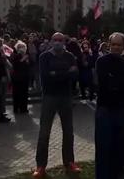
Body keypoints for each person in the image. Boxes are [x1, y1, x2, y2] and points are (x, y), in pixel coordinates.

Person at [33, 33, 81, 178]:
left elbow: (75, 74)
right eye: (56, 40)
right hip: (49, 97)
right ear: (51, 41)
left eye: (61, 40)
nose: (58, 42)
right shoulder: (44, 57)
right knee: (44, 132)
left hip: (66, 97)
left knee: (68, 132)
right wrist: (66, 73)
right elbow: (46, 78)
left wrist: (57, 74)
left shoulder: (70, 56)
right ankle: (41, 166)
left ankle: (69, 162)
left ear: (64, 42)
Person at [95, 32, 124, 179]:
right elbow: (106, 84)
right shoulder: (102, 61)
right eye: (113, 44)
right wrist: (122, 83)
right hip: (105, 110)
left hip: (121, 110)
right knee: (103, 147)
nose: (116, 47)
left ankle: (116, 174)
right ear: (109, 45)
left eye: (119, 45)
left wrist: (120, 83)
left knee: (118, 147)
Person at [10, 41, 31, 114]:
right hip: (16, 77)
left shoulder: (27, 55)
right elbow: (14, 65)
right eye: (20, 47)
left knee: (24, 93)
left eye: (23, 47)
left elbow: (29, 65)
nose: (22, 49)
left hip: (25, 77)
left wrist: (27, 60)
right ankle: (16, 108)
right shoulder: (15, 55)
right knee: (16, 93)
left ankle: (23, 108)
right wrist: (22, 59)